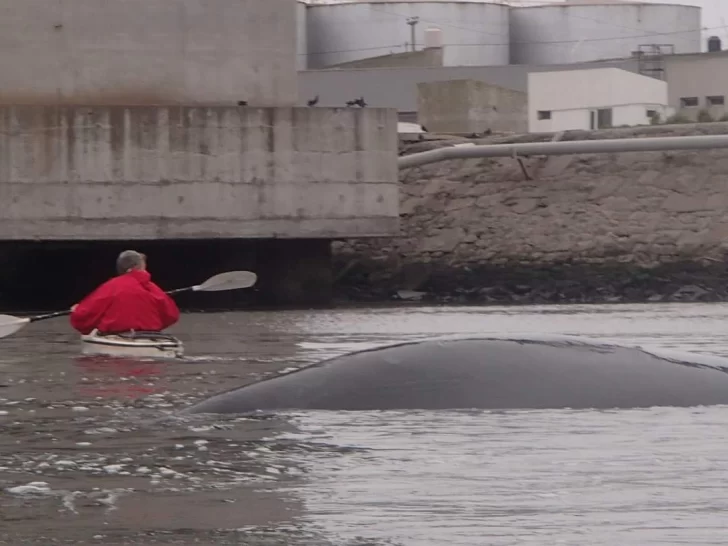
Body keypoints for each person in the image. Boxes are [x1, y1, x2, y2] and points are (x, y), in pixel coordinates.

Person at [70, 250, 180, 335]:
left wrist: (76, 311)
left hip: (119, 335)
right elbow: (171, 315)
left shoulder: (111, 287)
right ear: (140, 267)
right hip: (150, 335)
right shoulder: (152, 288)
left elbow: (87, 314)